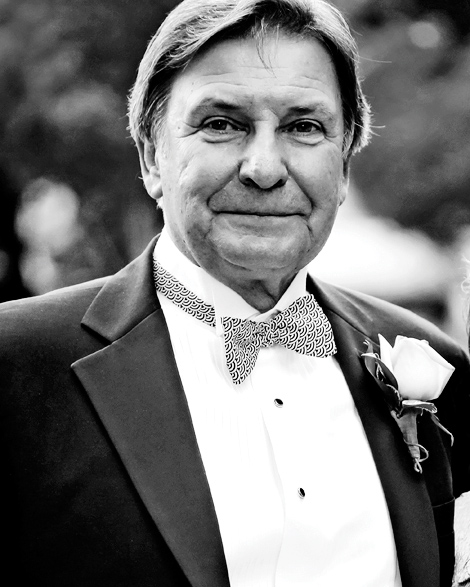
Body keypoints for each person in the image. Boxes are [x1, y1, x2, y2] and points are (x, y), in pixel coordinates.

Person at [1, 1, 469, 586]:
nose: (265, 168)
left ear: (344, 163)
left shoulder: (433, 364)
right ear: (152, 157)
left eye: (304, 126)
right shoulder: (16, 363)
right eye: (222, 123)